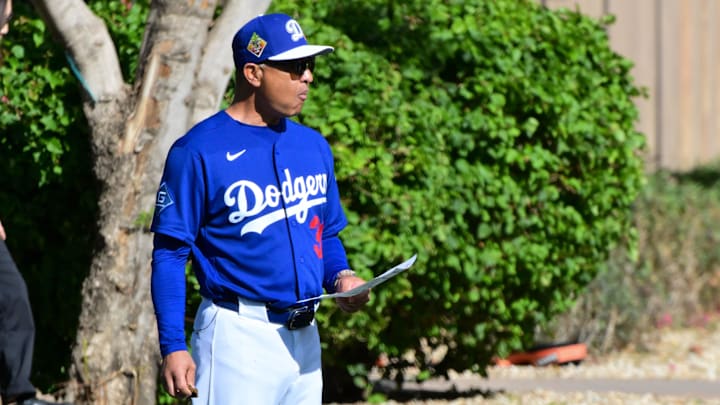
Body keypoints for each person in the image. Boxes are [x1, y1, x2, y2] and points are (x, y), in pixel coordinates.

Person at [150, 13, 370, 404]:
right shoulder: (198, 150)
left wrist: (341, 277)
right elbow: (169, 254)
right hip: (237, 336)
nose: (308, 77)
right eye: (295, 67)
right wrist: (173, 344)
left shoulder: (313, 146)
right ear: (253, 72)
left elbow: (325, 233)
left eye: (310, 66)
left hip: (305, 338)